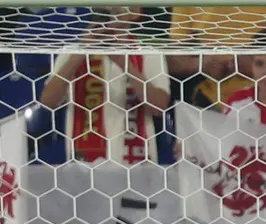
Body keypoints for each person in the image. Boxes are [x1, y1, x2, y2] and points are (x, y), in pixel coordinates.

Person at [40, 8, 170, 165]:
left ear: (134, 13)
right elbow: (47, 102)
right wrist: (80, 54)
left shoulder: (149, 54)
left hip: (135, 167)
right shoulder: (71, 52)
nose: (110, 8)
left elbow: (159, 106)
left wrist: (125, 65)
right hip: (84, 168)